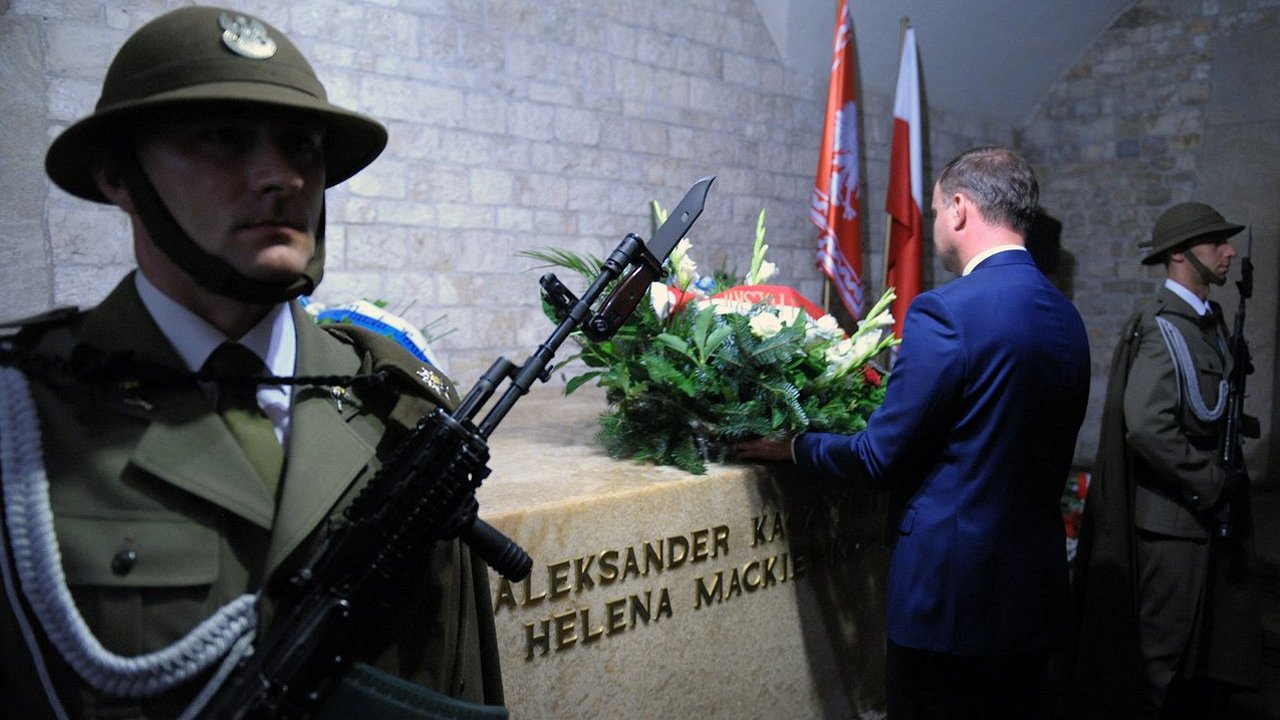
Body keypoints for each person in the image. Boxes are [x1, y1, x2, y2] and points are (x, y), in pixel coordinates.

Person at [0, 6, 503, 718]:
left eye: (302, 146)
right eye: (222, 138)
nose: (281, 177)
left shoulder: (400, 403)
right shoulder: (24, 419)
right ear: (118, 175)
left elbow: (455, 677)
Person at [736, 146, 1091, 719]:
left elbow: (880, 456)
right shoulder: (1066, 315)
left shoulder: (947, 311)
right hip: (1032, 598)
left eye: (935, 211)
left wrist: (794, 446)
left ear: (959, 208)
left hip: (952, 603)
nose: (934, 227)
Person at [1068, 202, 1261, 719]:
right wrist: (1212, 481)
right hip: (1173, 526)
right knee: (1159, 662)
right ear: (1179, 255)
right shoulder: (1161, 327)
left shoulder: (1205, 324)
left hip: (1200, 521)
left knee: (1199, 666)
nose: (1228, 252)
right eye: (1215, 242)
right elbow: (1148, 426)